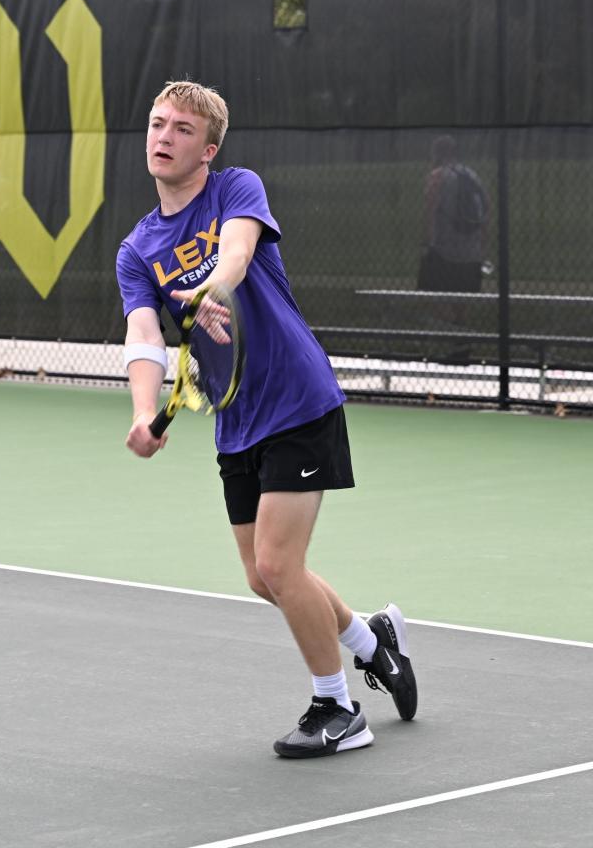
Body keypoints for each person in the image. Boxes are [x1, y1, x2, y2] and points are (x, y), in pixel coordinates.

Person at [115, 80, 417, 758]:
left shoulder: (235, 190)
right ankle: (375, 643)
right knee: (262, 577)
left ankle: (337, 709)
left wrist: (209, 289)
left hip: (296, 400)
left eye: (182, 130)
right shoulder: (136, 249)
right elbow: (142, 333)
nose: (163, 137)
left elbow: (237, 255)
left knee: (281, 565)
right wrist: (142, 409)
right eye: (158, 124)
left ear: (208, 148)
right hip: (235, 416)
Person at [418, 134, 490, 295]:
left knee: (434, 298)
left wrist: (428, 244)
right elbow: (486, 210)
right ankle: (457, 321)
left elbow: (430, 210)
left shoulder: (436, 176)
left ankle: (445, 321)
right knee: (463, 298)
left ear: (436, 153)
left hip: (444, 251)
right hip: (471, 251)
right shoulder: (472, 175)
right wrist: (482, 246)